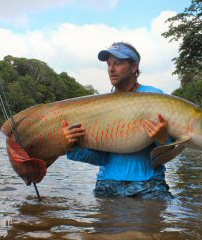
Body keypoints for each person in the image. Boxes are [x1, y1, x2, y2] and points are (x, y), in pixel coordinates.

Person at [61, 42, 173, 201]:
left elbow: (170, 151)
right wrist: (71, 146)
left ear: (134, 67)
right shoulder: (103, 105)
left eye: (118, 63)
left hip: (149, 185)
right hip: (107, 185)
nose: (111, 69)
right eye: (109, 64)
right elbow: (101, 158)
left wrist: (163, 139)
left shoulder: (155, 96)